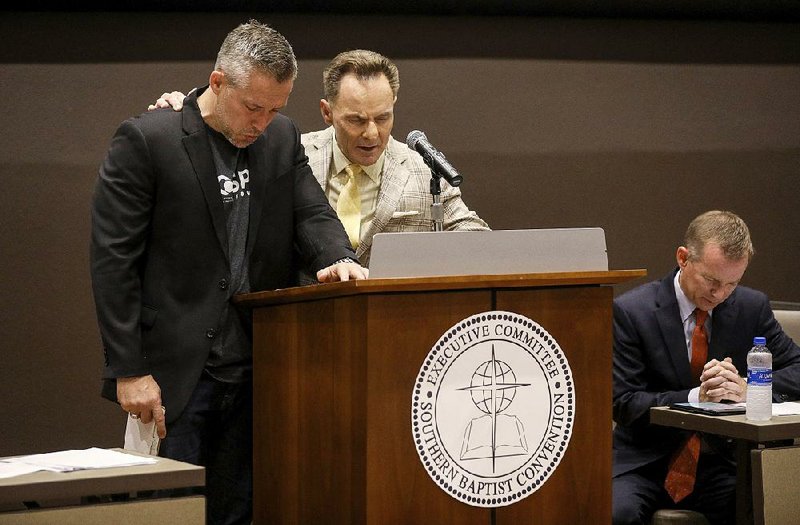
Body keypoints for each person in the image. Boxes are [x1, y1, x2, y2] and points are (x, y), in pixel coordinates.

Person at [91, 20, 366, 525]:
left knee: (240, 512)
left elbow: (311, 213)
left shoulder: (281, 139)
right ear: (218, 84)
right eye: (253, 107)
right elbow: (113, 262)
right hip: (173, 377)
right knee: (167, 514)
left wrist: (338, 257)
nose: (262, 122)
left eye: (276, 108)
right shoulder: (149, 139)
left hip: (253, 368)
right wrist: (128, 370)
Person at [150, 49, 489, 268]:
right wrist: (187, 109)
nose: (371, 134)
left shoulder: (422, 169)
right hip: (304, 332)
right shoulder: (291, 154)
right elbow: (222, 131)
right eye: (356, 120)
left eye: (383, 118)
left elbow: (476, 236)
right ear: (327, 112)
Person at [612, 210, 800, 525]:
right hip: (644, 462)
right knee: (618, 513)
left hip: (721, 462)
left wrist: (749, 386)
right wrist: (696, 397)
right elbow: (624, 403)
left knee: (768, 504)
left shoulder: (750, 307)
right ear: (683, 258)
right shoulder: (633, 312)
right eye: (712, 280)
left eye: (732, 283)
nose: (720, 294)